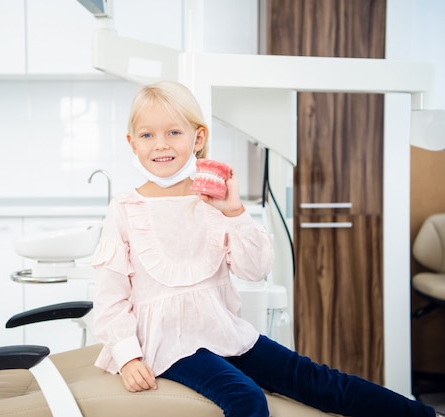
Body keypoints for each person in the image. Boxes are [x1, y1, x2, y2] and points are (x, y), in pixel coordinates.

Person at [90, 80, 442, 417]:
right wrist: (128, 357)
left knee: (322, 381)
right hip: (169, 344)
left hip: (225, 332)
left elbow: (254, 270)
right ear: (132, 142)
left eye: (173, 132)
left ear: (198, 138)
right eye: (147, 135)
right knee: (246, 398)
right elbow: (110, 298)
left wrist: (234, 213)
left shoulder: (214, 201)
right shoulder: (125, 208)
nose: (160, 144)